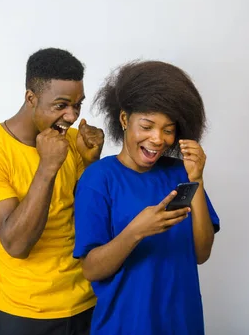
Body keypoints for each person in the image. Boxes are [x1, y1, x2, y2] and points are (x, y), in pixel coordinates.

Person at [72, 60, 221, 334]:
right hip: (124, 325)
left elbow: (201, 254)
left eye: (168, 129)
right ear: (125, 119)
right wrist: (136, 232)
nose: (157, 139)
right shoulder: (98, 179)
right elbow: (91, 269)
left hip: (183, 323)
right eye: (148, 125)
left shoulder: (180, 173)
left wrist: (196, 179)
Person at [0, 48, 105, 335]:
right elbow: (16, 245)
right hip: (23, 314)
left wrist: (91, 165)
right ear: (31, 98)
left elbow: (84, 219)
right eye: (61, 105)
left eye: (78, 104)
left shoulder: (74, 141)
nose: (72, 115)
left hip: (86, 304)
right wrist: (47, 167)